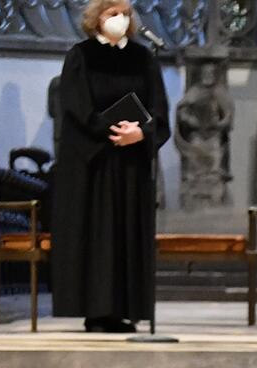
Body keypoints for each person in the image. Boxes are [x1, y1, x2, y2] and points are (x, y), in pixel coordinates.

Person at [51, 0, 170, 333]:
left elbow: (159, 109)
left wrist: (140, 133)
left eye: (125, 13)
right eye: (111, 13)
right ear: (96, 18)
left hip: (131, 165)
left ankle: (125, 310)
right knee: (97, 236)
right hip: (95, 163)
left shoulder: (143, 58)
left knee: (127, 235)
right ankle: (97, 311)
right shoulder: (81, 55)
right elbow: (75, 106)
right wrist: (111, 130)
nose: (120, 19)